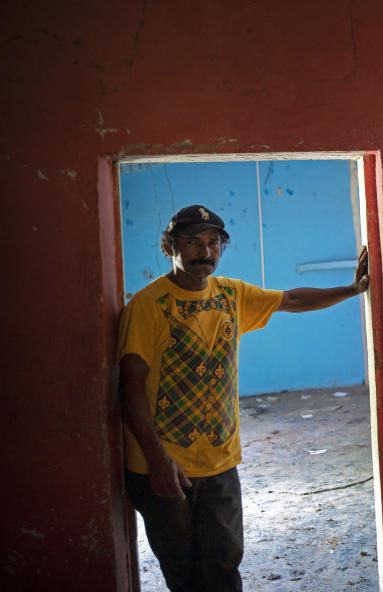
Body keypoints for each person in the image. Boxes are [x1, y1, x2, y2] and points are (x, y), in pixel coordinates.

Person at [117, 204, 369, 591]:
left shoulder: (231, 294)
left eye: (213, 242)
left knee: (222, 565)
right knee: (182, 572)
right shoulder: (146, 306)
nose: (205, 251)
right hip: (161, 465)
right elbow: (130, 387)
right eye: (192, 242)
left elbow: (293, 300)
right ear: (170, 247)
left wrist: (352, 290)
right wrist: (157, 459)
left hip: (219, 462)